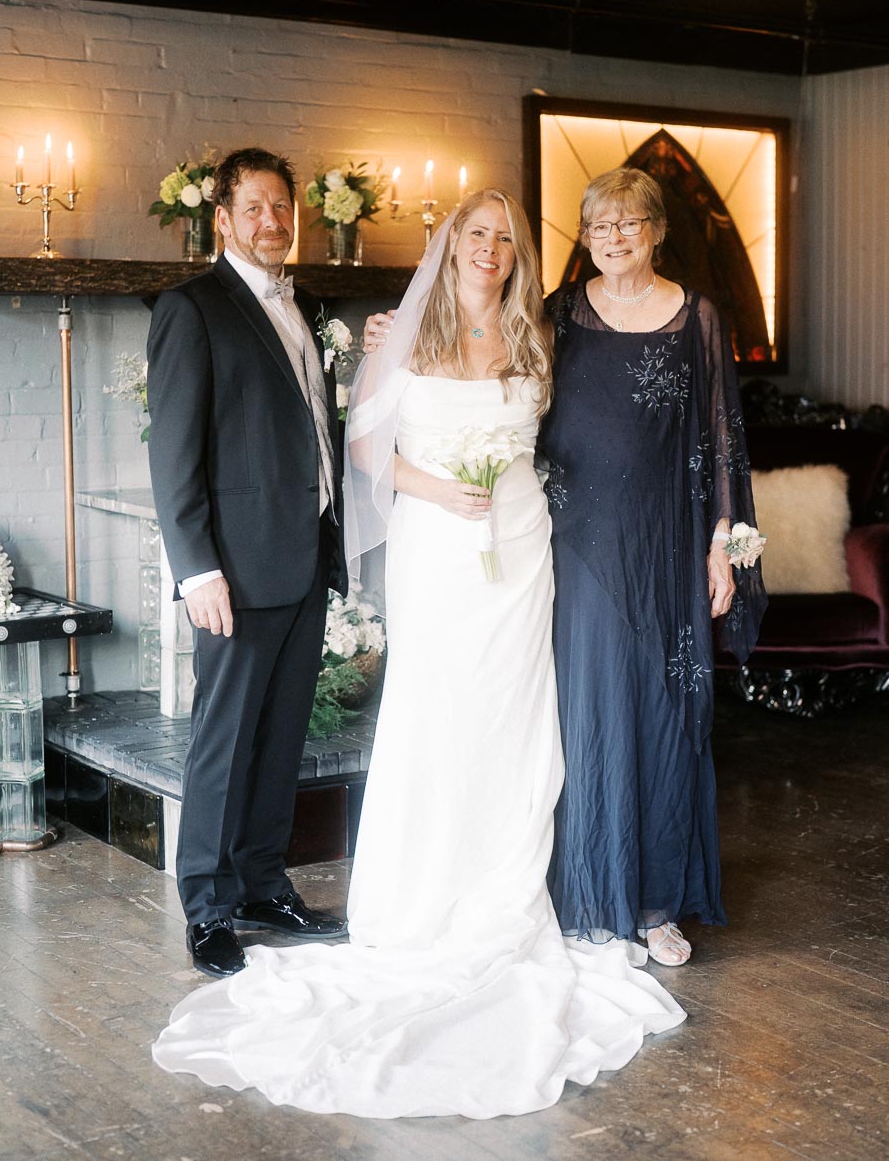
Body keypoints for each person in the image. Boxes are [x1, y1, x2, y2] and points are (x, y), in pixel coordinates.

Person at [153, 189, 684, 1118]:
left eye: (505, 238)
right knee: (435, 715)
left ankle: (502, 888)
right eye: (476, 233)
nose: (490, 248)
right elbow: (363, 450)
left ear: (519, 254)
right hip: (439, 551)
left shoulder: (538, 336)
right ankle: (402, 892)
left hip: (522, 551)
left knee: (515, 719)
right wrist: (440, 490)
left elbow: (577, 426)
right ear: (451, 243)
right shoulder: (402, 333)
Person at [363, 168, 766, 969]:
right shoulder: (558, 317)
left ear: (656, 232)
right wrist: (393, 333)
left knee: (666, 714)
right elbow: (481, 361)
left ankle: (656, 903)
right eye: (600, 226)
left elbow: (722, 433)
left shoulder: (697, 315)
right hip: (573, 547)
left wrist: (723, 539)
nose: (615, 239)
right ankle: (586, 893)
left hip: (666, 543)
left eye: (630, 224)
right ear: (585, 238)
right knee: (580, 720)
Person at [146, 147, 347, 981]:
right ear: (223, 219)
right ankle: (207, 905)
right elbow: (174, 453)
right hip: (235, 568)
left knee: (282, 737)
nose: (273, 222)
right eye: (256, 208)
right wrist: (197, 570)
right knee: (225, 741)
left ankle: (264, 885)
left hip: (305, 557)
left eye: (282, 207)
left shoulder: (308, 307)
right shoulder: (192, 308)